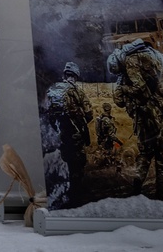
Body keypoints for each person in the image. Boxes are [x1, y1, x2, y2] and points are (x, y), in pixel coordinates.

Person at [109, 38, 163, 197]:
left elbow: (119, 100)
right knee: (160, 156)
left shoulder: (128, 64)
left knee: (145, 155)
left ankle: (136, 190)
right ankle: (161, 194)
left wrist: (126, 90)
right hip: (159, 112)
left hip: (142, 118)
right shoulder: (158, 59)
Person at [43, 61, 93, 207]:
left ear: (65, 74)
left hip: (59, 135)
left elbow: (49, 114)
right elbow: (89, 113)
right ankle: (75, 197)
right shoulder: (76, 91)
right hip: (75, 133)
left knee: (64, 163)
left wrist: (59, 129)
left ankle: (63, 191)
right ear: (76, 76)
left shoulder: (53, 90)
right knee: (77, 164)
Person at [94, 101, 119, 166]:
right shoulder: (107, 120)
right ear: (109, 109)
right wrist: (118, 141)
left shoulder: (99, 118)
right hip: (108, 140)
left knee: (102, 152)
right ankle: (109, 165)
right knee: (113, 151)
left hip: (101, 139)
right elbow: (111, 134)